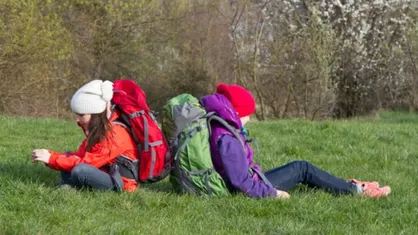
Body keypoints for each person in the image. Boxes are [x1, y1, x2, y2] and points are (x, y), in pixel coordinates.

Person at [200, 83, 391, 199]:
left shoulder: (220, 126)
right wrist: (273, 194)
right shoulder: (227, 139)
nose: (249, 119)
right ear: (235, 112)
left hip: (251, 179)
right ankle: (356, 191)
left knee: (301, 167)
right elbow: (241, 182)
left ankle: (344, 185)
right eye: (247, 114)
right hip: (246, 188)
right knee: (302, 168)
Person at [31, 80, 139, 192]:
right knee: (68, 157)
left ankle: (74, 186)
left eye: (81, 115)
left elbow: (88, 163)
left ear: (96, 114)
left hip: (121, 184)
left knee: (79, 170)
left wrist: (52, 159)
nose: (77, 119)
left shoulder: (114, 134)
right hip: (106, 172)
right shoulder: (101, 129)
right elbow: (82, 155)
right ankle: (75, 185)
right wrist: (50, 155)